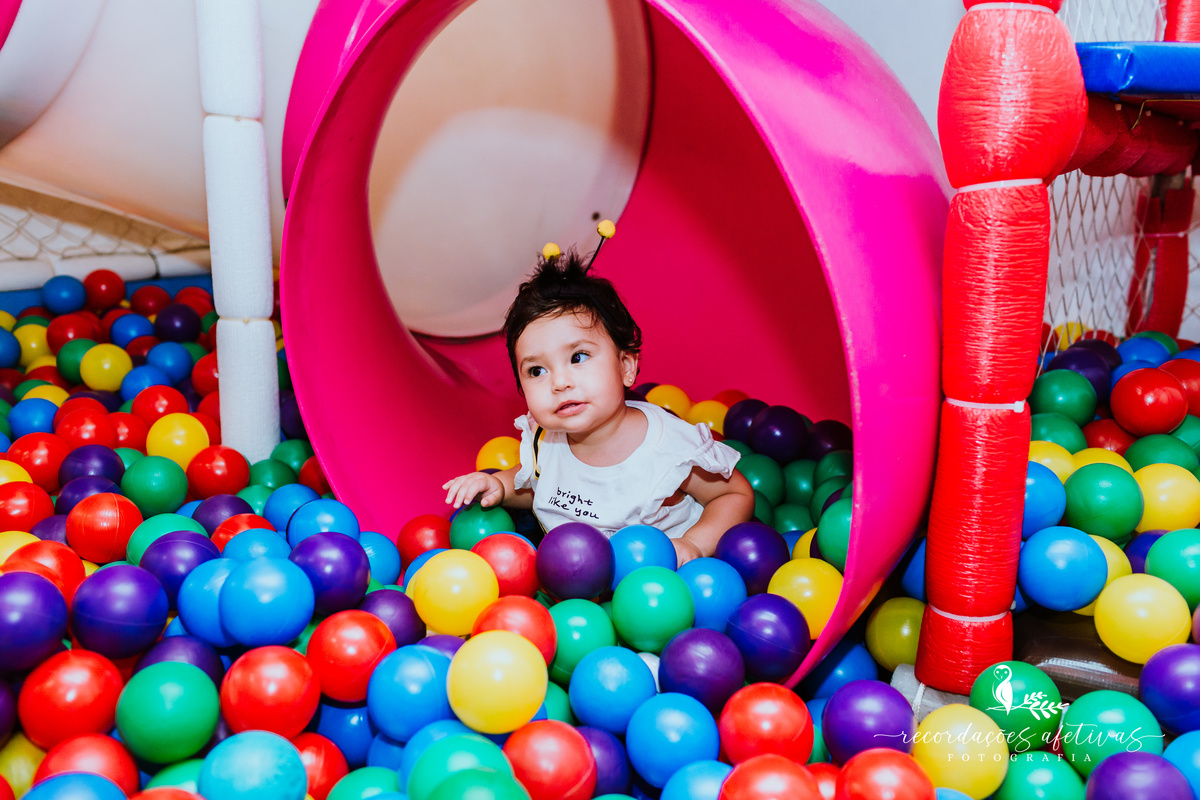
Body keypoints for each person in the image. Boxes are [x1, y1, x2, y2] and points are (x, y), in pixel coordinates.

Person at [443, 233, 754, 567]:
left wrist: (693, 545)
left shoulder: (668, 449)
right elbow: (536, 485)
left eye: (578, 357)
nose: (560, 382)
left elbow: (734, 494)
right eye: (536, 371)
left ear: (626, 367)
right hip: (577, 585)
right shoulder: (545, 441)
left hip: (666, 586)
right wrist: (499, 485)